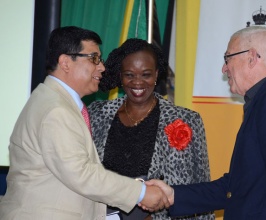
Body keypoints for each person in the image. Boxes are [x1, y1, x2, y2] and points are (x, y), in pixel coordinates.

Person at [144, 26, 266, 219]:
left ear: (252, 57)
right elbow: (236, 188)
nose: (224, 68)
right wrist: (174, 195)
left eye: (228, 58)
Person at [0, 26, 169, 220]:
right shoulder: (57, 110)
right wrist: (141, 193)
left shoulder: (56, 101)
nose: (102, 67)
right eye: (93, 58)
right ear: (65, 63)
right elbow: (82, 174)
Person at [88, 38, 214, 220]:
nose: (137, 82)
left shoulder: (186, 120)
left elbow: (201, 188)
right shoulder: (97, 115)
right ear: (120, 75)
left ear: (156, 74)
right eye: (129, 74)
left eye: (146, 74)